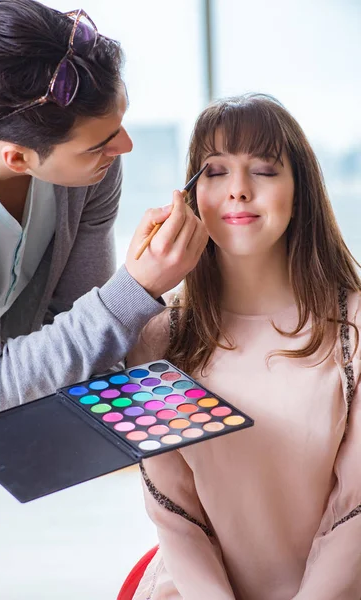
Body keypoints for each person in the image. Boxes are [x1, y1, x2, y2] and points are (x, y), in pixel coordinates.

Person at [0, 0, 208, 596]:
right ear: (17, 157)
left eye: (119, 123)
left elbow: (83, 337)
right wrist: (138, 288)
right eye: (99, 143)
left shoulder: (90, 172)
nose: (122, 146)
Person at [128, 93, 361, 600]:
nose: (237, 190)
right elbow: (174, 512)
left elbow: (355, 511)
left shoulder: (353, 327)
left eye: (264, 170)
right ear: (190, 194)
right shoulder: (158, 337)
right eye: (214, 171)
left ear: (301, 190)